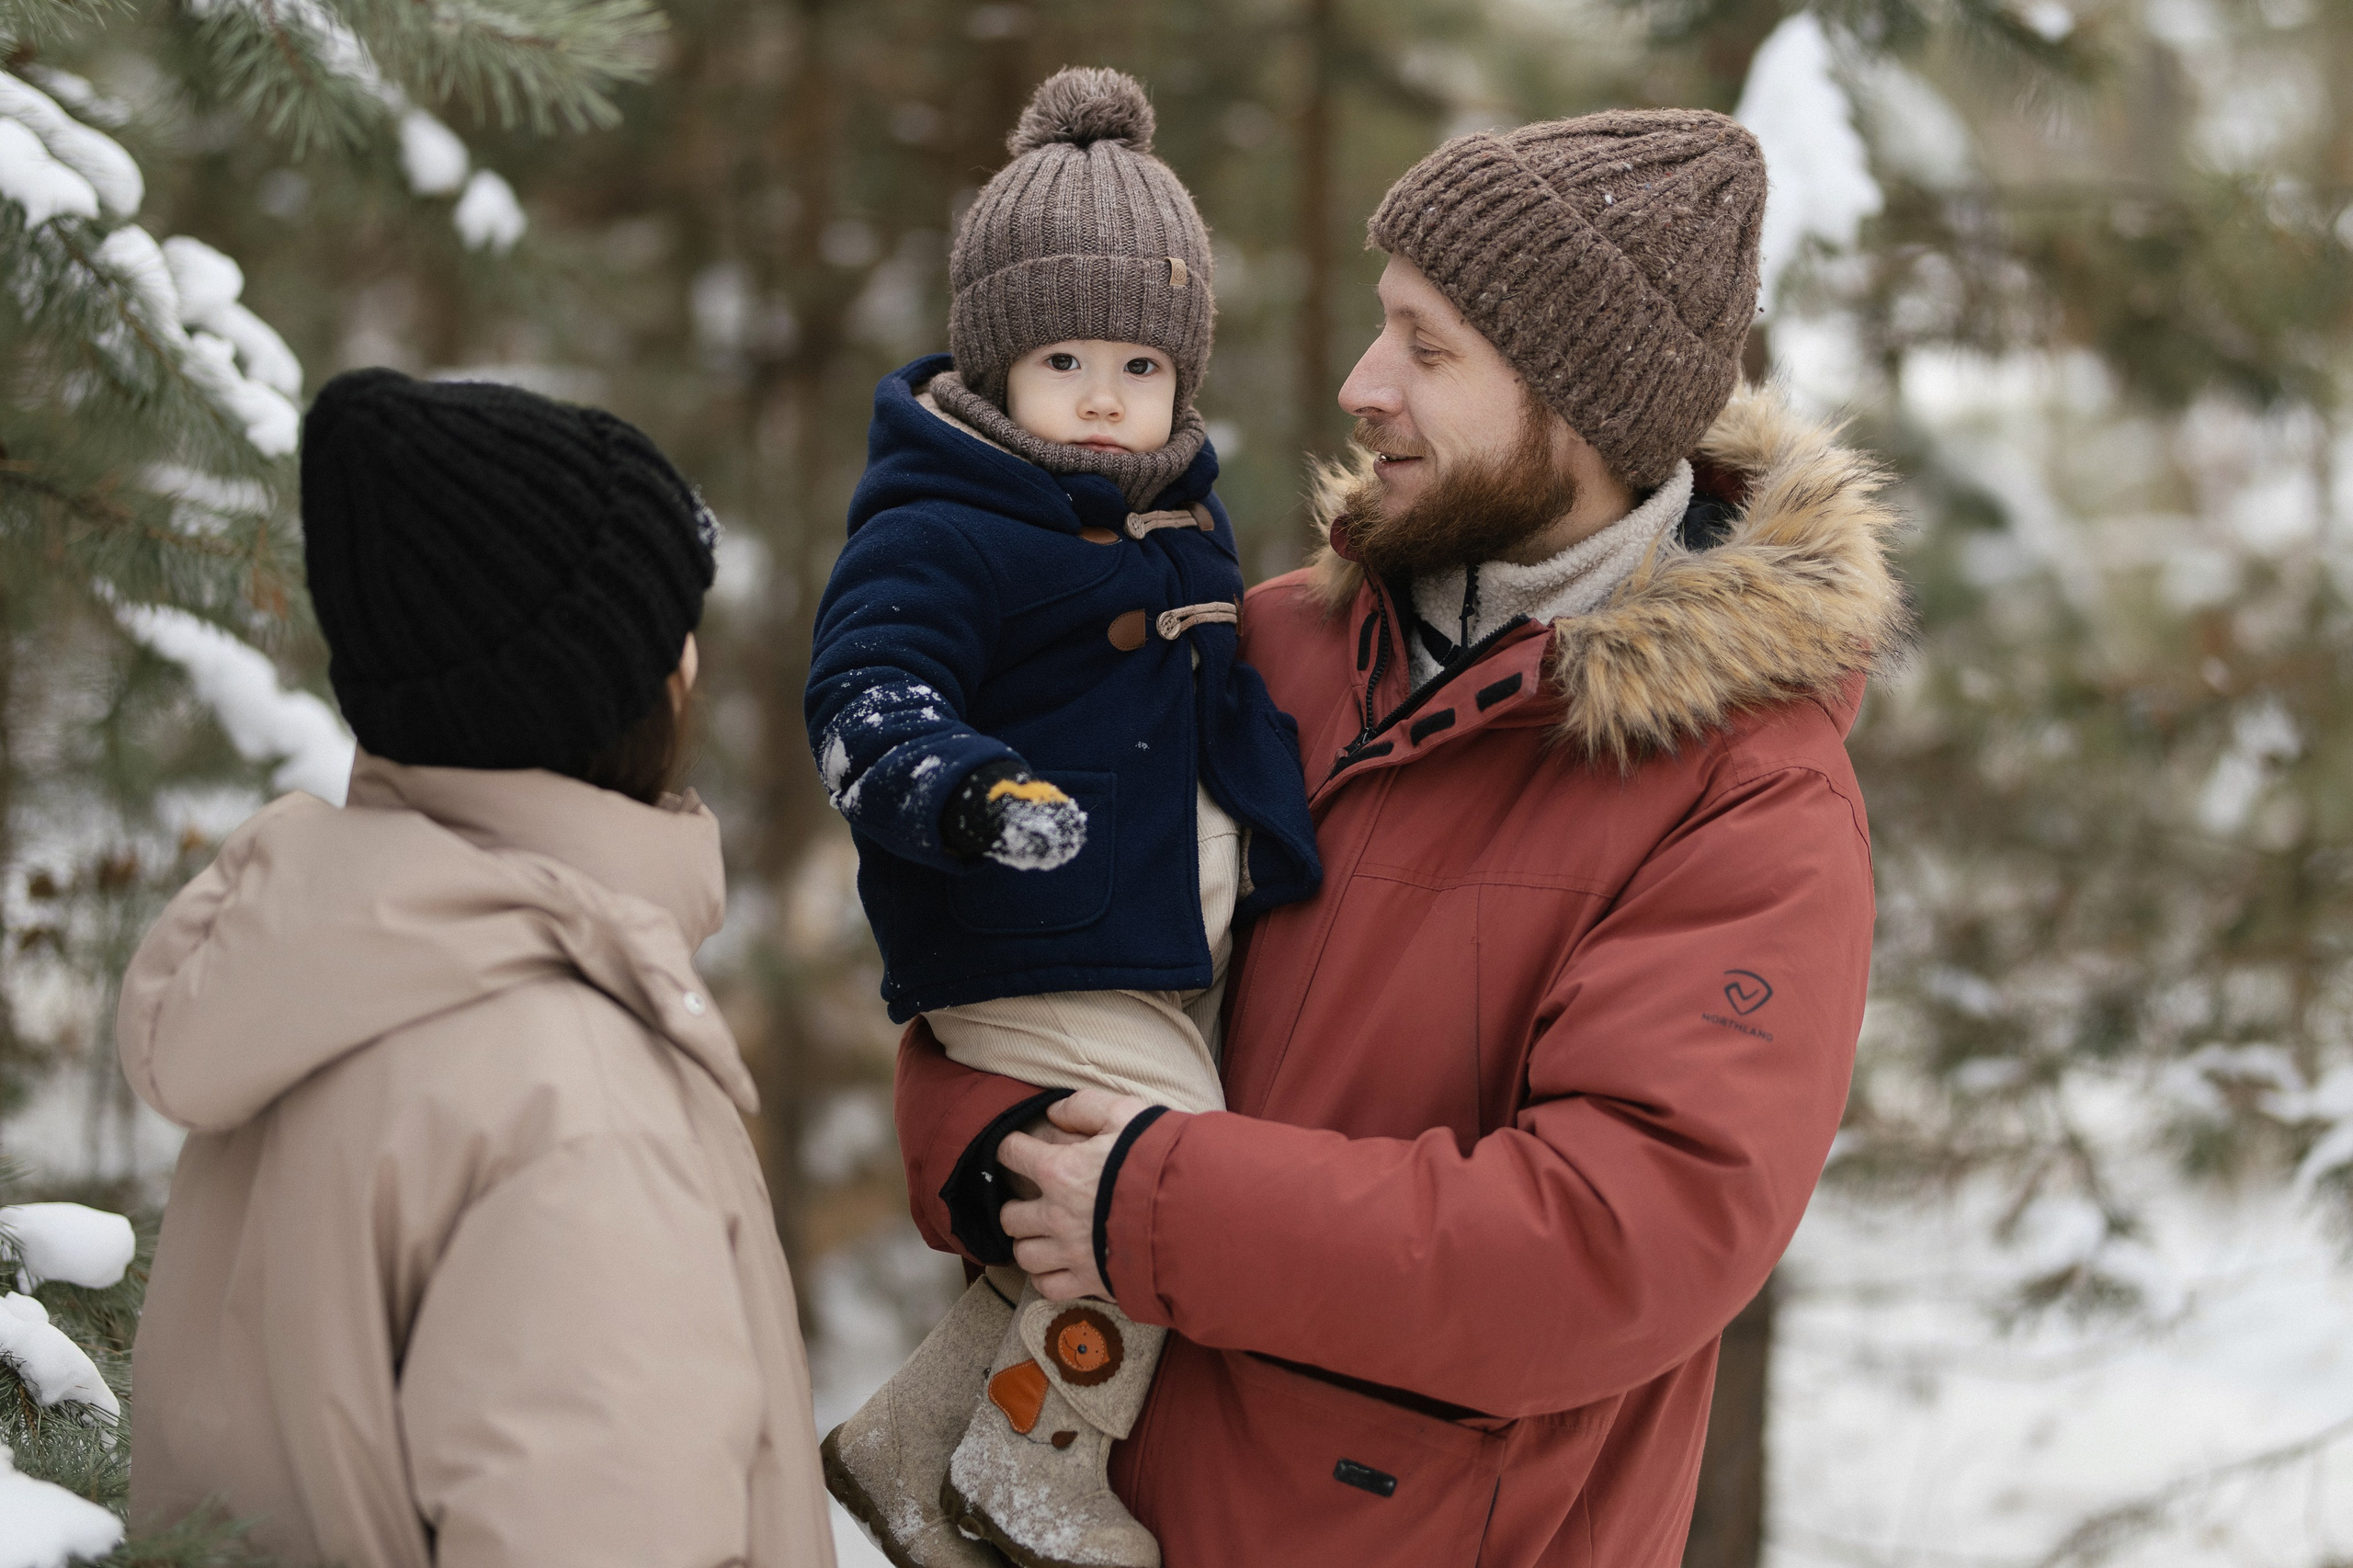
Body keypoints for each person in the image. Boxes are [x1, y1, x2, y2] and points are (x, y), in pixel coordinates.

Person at [892, 109, 1910, 1565]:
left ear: (1583, 401)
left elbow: (1612, 1245)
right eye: (1383, 331)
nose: (1365, 387)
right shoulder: (1249, 646)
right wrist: (998, 1160)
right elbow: (984, 971)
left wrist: (1151, 1202)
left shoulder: (1747, 793)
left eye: (1429, 350)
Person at [117, 369, 835, 1568]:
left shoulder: (317, 978)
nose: (695, 658)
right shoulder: (571, 1099)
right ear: (619, 687)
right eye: (674, 627)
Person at [805, 66, 1321, 1568]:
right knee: (1166, 1182)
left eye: (1145, 365)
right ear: (993, 361)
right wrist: (969, 794)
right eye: (1067, 357)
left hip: (1132, 947)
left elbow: (1215, 714)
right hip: (1027, 944)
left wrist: (1275, 830)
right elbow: (866, 696)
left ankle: (911, 1445)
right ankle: (1037, 1460)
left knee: (1068, 1215)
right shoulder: (945, 523)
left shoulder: (1179, 523)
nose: (1107, 395)